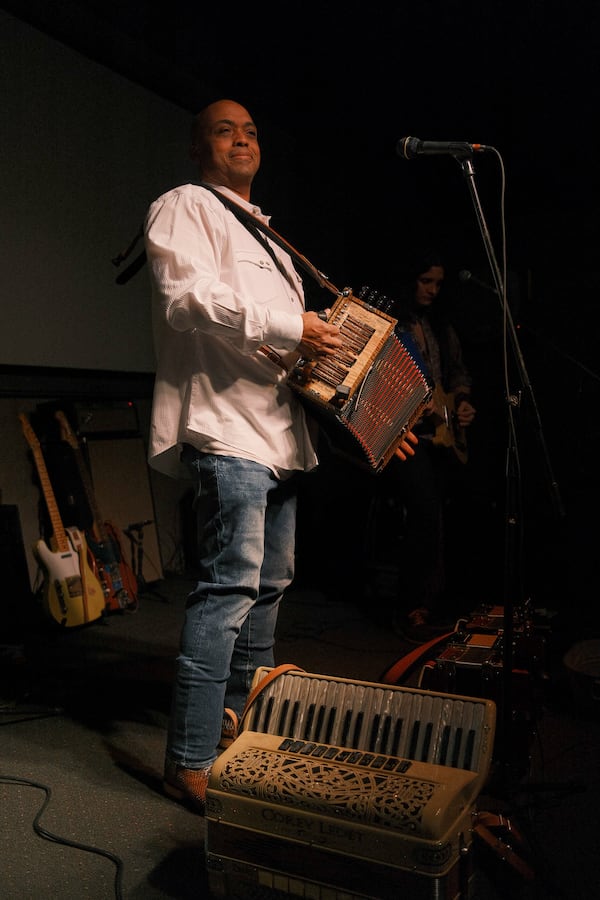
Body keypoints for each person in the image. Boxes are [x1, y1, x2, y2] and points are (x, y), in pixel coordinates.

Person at [143, 98, 417, 813]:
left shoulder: (274, 244)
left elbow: (302, 364)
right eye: (224, 130)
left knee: (267, 594)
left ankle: (242, 730)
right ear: (198, 146)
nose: (242, 139)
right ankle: (190, 756)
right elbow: (184, 297)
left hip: (280, 439)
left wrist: (379, 423)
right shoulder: (184, 206)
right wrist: (288, 321)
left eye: (252, 131)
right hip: (226, 431)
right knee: (229, 589)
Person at [372, 249, 478, 643]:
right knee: (423, 517)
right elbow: (377, 384)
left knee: (444, 519)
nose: (433, 290)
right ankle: (410, 608)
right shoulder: (393, 328)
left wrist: (462, 403)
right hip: (406, 437)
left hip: (442, 438)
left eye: (438, 283)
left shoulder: (439, 326)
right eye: (425, 281)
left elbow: (458, 373)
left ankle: (436, 603)